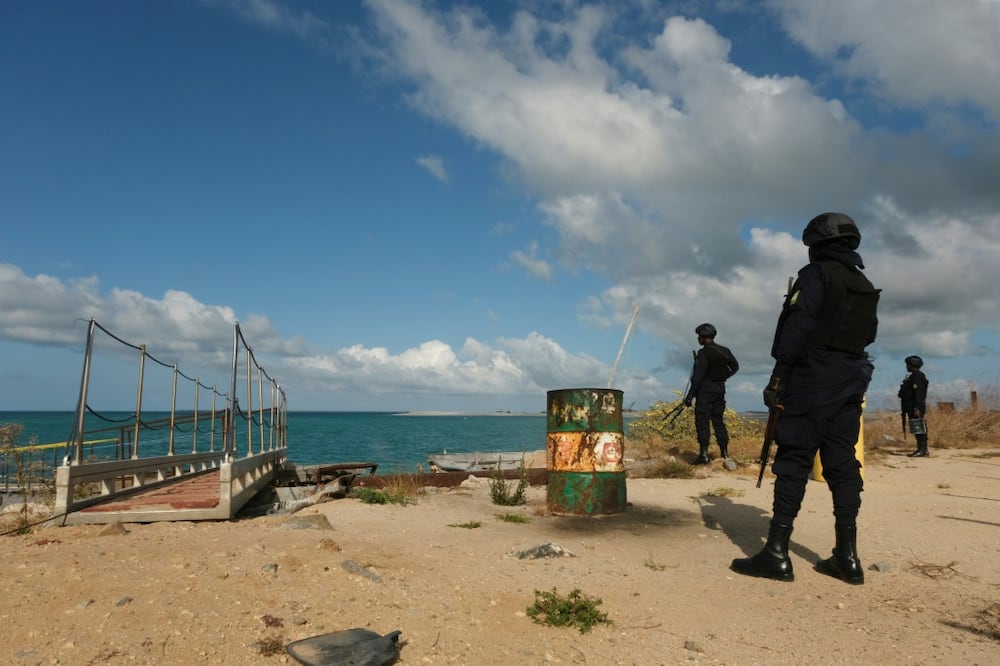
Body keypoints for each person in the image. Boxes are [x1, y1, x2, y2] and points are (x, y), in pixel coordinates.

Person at [730, 212, 879, 585]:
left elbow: (798, 328)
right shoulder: (861, 281)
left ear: (817, 244)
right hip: (851, 377)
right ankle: (847, 556)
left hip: (814, 377)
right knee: (842, 463)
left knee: (794, 457)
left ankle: (777, 554)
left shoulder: (816, 276)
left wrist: (778, 378)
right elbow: (868, 335)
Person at [684, 323, 739, 464]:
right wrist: (724, 376)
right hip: (720, 390)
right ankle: (725, 454)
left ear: (703, 337)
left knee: (702, 422)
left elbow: (697, 377)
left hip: (705, 392)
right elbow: (735, 366)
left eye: (699, 337)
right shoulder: (725, 350)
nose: (698, 339)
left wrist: (690, 396)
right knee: (718, 422)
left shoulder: (704, 353)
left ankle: (703, 455)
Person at [898, 355, 930, 457]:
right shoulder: (912, 377)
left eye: (907, 365)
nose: (906, 367)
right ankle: (921, 449)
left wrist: (917, 407)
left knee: (919, 427)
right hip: (911, 405)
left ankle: (922, 450)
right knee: (916, 427)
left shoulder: (917, 376)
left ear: (912, 365)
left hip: (915, 406)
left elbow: (919, 393)